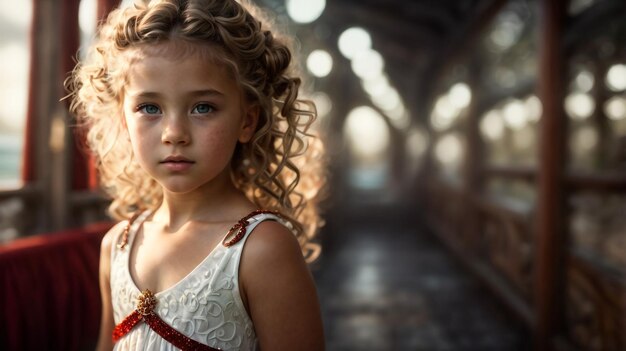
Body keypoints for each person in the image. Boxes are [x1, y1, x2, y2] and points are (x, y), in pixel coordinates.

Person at [68, 0, 326, 349]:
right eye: (149, 108)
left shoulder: (262, 249)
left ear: (247, 122)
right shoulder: (117, 245)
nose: (174, 133)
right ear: (122, 121)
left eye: (203, 107)